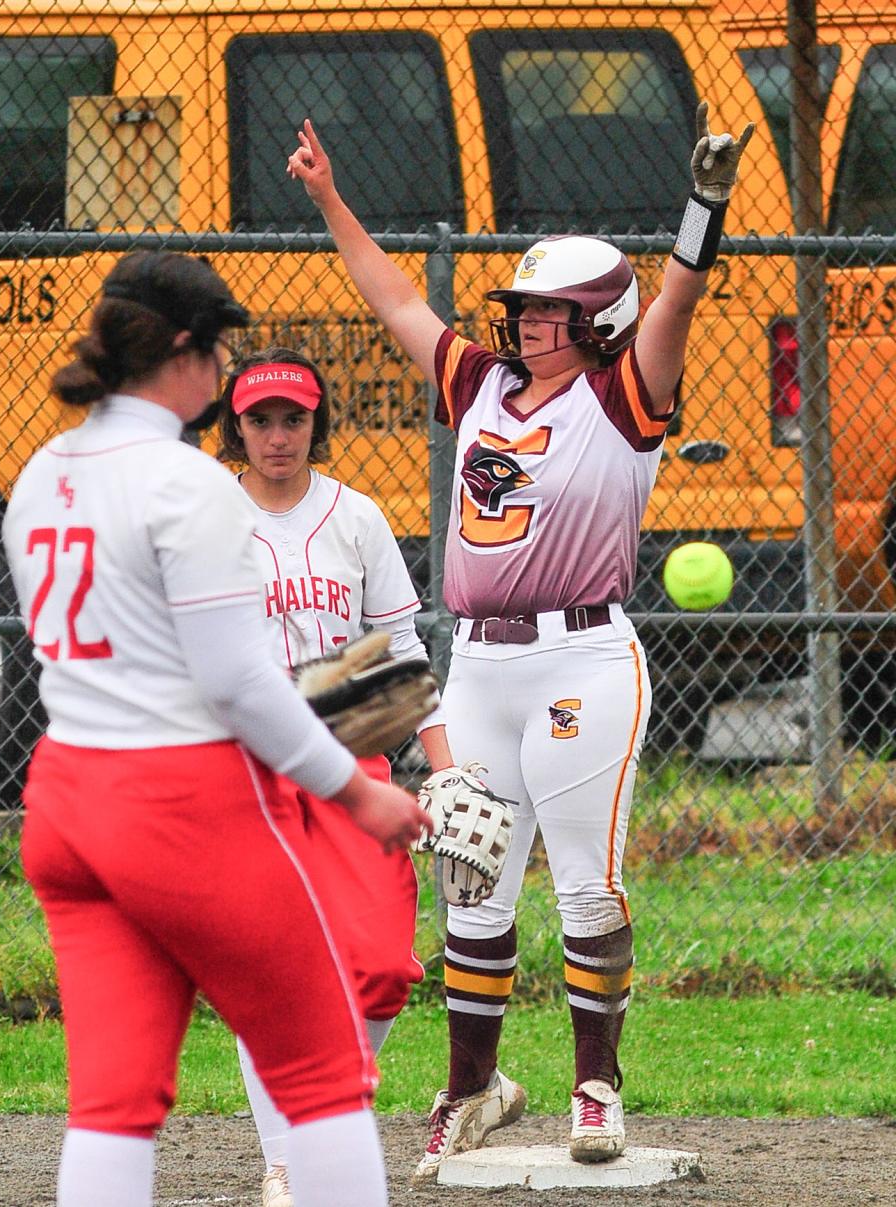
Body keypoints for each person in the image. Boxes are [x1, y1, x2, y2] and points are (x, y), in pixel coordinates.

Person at [286, 102, 754, 1180]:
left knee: (585, 884)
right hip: (483, 664)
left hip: (583, 655)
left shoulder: (624, 392)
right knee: (474, 890)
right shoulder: (482, 385)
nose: (524, 322)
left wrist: (703, 210)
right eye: (524, 306)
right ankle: (471, 1089)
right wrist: (330, 200)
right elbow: (397, 295)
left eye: (548, 309)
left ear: (595, 320)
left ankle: (598, 1085)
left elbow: (679, 299)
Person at [1, 249, 428, 1207]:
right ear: (188, 354)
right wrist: (359, 789)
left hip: (66, 797)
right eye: (219, 346)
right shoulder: (187, 483)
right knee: (324, 1073)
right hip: (176, 799)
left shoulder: (43, 471)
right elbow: (237, 682)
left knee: (112, 1103)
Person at [215, 345, 454, 1206]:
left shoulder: (356, 519)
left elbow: (402, 655)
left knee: (385, 965)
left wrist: (446, 776)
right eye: (260, 419)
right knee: (274, 967)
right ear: (234, 426)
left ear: (318, 424)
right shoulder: (207, 521)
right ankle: (287, 1156)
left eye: (294, 418)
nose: (278, 435)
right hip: (247, 770)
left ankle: (328, 1102)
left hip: (355, 758)